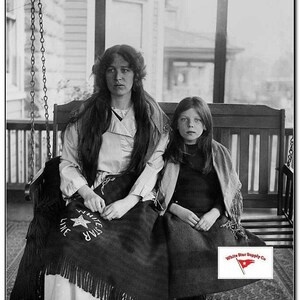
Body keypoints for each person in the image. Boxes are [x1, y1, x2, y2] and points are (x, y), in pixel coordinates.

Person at [11, 44, 169, 300]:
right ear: (103, 75)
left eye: (125, 70)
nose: (118, 77)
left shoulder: (150, 115)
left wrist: (129, 202)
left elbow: (155, 164)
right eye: (111, 70)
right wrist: (86, 193)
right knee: (68, 243)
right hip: (95, 187)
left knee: (132, 248)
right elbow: (69, 162)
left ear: (136, 75)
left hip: (136, 193)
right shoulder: (87, 114)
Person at [154, 97, 265, 300]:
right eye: (184, 120)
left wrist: (214, 213)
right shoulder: (166, 152)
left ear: (205, 124)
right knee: (185, 246)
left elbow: (228, 191)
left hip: (212, 215)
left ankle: (200, 291)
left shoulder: (218, 152)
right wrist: (175, 209)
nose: (190, 125)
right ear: (176, 123)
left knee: (234, 247)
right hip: (179, 215)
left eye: (197, 120)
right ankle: (189, 293)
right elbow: (155, 189)